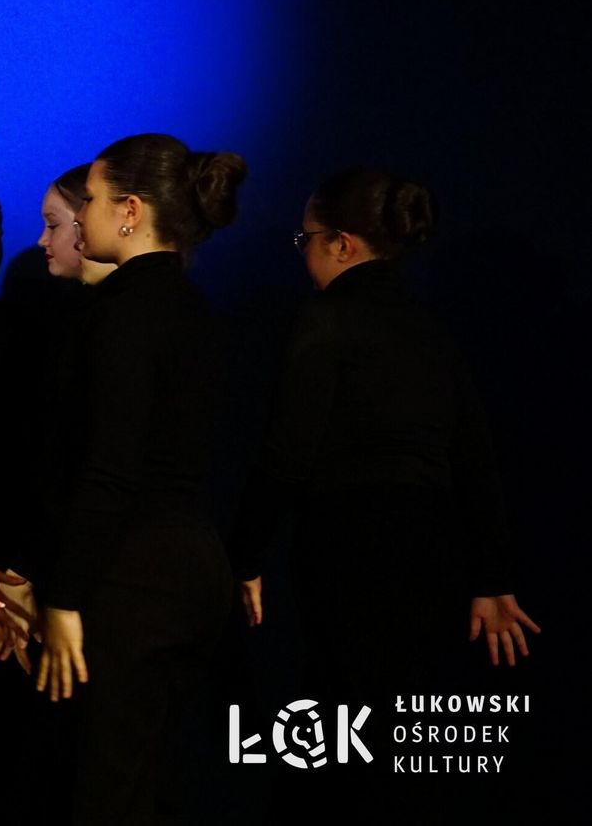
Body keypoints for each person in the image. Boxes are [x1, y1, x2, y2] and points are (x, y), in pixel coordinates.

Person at [232, 167, 539, 701]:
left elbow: (288, 451)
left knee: (344, 712)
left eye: (307, 238)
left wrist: (245, 556)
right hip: (434, 547)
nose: (302, 253)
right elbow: (474, 456)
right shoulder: (433, 327)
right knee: (407, 712)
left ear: (342, 244)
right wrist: (492, 577)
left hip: (347, 544)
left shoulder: (326, 317)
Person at [33, 133, 246, 823]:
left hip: (130, 578)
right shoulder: (193, 305)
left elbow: (109, 466)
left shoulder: (122, 311)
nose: (82, 212)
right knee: (158, 781)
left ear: (129, 211)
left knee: (107, 787)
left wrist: (63, 595)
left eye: (91, 199)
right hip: (194, 569)